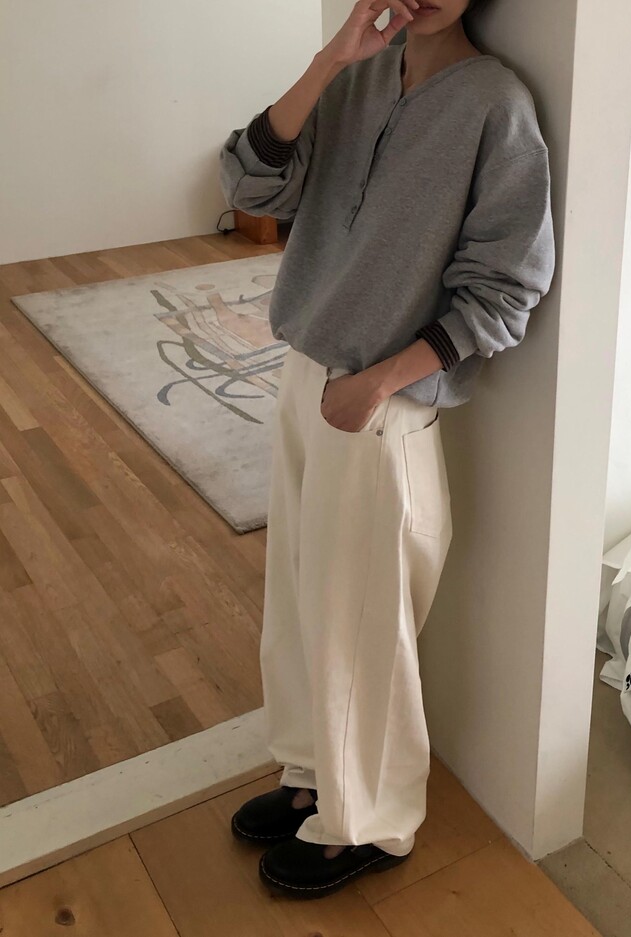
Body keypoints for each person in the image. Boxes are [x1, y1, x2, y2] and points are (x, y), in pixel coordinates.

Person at [218, 0, 555, 900]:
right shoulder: (355, 78)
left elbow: (508, 288)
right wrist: (332, 59)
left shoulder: (496, 105)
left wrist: (380, 382)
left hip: (382, 398)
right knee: (298, 597)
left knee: (361, 622)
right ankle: (309, 772)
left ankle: (369, 820)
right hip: (304, 368)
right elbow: (250, 185)